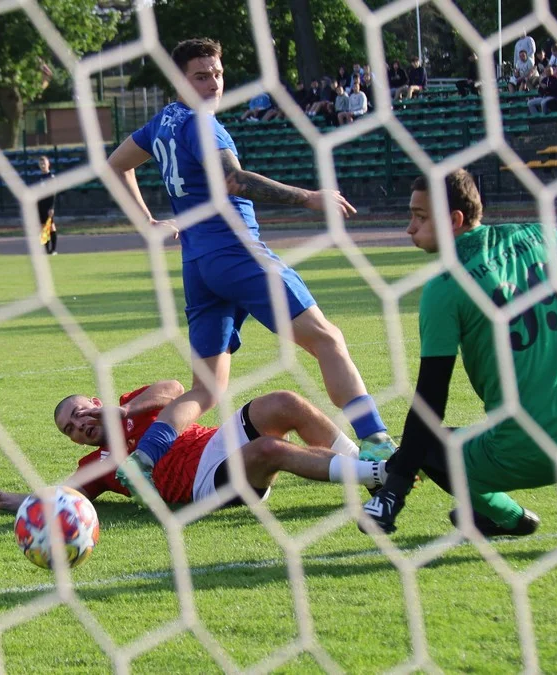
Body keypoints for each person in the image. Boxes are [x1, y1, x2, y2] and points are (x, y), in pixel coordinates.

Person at [104, 38, 395, 503]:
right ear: (181, 80)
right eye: (201, 75)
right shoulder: (203, 125)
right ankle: (379, 441)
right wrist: (310, 198)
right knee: (326, 339)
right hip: (238, 255)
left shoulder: (161, 124)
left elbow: (116, 164)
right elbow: (235, 180)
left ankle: (143, 459)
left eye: (217, 73)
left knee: (206, 386)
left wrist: (148, 222)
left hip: (199, 264)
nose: (214, 83)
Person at [361, 169, 557, 536]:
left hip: (532, 447)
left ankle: (509, 517)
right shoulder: (539, 235)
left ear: (454, 219)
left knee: (429, 446)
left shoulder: (445, 288)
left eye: (419, 217)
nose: (409, 228)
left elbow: (431, 398)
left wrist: (395, 489)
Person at [0, 381, 387, 512]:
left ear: (96, 403)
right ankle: (382, 473)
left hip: (217, 440)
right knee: (268, 452)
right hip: (206, 484)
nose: (78, 425)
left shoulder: (134, 407)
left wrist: (127, 410)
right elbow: (64, 497)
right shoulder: (97, 463)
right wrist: (6, 500)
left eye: (78, 413)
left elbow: (175, 389)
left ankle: (365, 468)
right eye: (69, 429)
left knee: (283, 402)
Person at [36, 155, 57, 255]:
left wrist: (51, 207)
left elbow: (53, 193)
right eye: (41, 164)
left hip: (48, 206)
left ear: (48, 164)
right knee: (43, 228)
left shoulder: (51, 177)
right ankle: (46, 250)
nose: (42, 165)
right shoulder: (39, 178)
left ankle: (53, 250)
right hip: (40, 206)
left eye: (44, 163)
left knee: (51, 227)